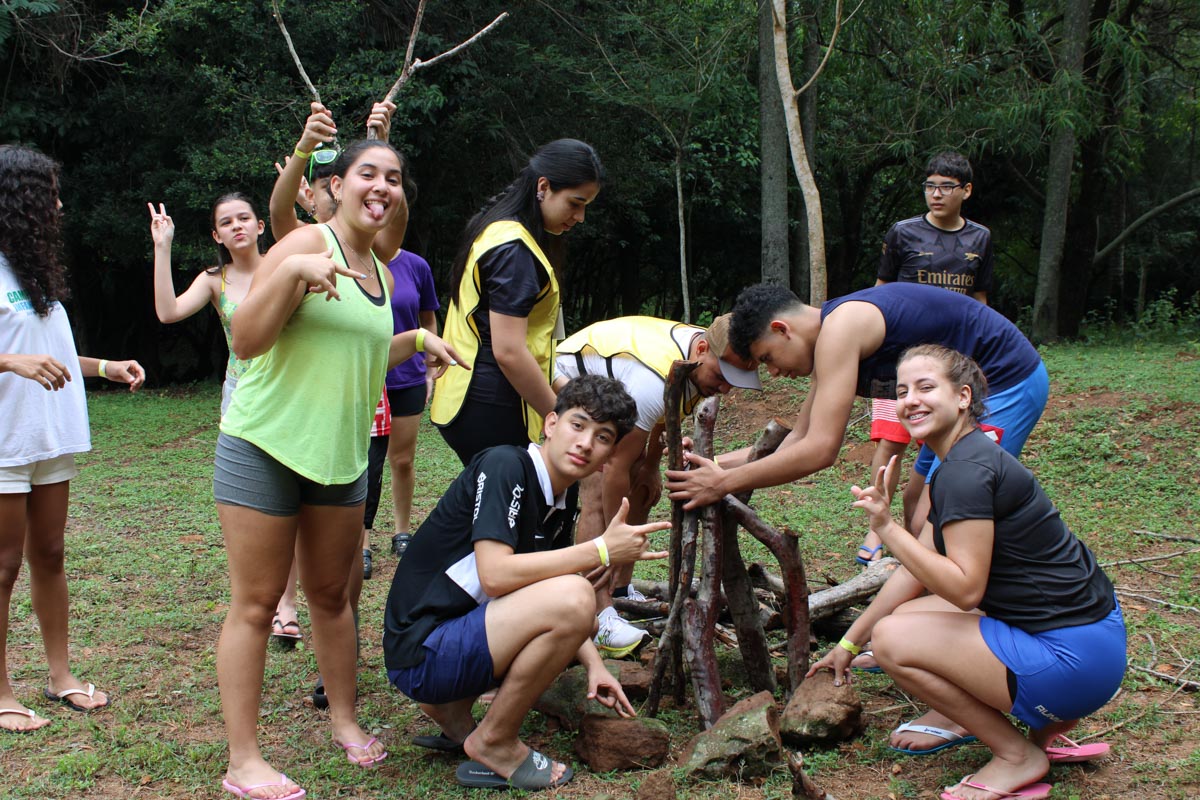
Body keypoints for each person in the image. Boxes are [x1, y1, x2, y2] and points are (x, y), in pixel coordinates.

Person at [214, 138, 467, 799]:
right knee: (256, 603)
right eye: (368, 174)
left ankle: (346, 720)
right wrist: (298, 277)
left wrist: (414, 341)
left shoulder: (382, 270)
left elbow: (356, 354)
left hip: (340, 455)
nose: (381, 187)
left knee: (333, 595)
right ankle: (244, 759)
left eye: (394, 177)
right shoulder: (302, 245)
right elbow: (245, 340)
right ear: (338, 184)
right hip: (265, 445)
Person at [807, 345, 1125, 800]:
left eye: (925, 387)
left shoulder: (965, 472)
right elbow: (914, 571)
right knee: (902, 619)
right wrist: (848, 643)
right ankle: (1047, 727)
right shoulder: (968, 457)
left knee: (895, 640)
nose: (909, 399)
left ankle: (1017, 756)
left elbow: (964, 589)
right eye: (901, 390)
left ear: (962, 397)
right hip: (1096, 645)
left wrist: (885, 527)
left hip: (1073, 663)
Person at [384, 375, 669, 790]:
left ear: (610, 454)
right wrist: (603, 550)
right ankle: (495, 740)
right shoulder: (507, 466)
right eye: (578, 424)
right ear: (550, 423)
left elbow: (543, 588)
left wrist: (594, 666)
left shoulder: (559, 496)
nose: (586, 443)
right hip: (422, 651)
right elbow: (496, 576)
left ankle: (449, 709)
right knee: (576, 597)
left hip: (445, 640)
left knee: (582, 612)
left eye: (602, 436)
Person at [665, 283, 1049, 538]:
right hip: (953, 398)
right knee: (916, 505)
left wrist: (722, 484)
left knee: (944, 514)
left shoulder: (841, 327)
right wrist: (711, 464)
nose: (775, 372)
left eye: (768, 358)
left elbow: (821, 450)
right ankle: (924, 605)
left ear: (783, 329)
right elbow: (799, 438)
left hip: (1003, 382)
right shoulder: (828, 338)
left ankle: (953, 613)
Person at [0, 144, 145, 733]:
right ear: (23, 199)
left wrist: (105, 368)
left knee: (50, 556)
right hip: (5, 442)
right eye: (51, 193)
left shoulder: (33, 274)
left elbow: (50, 356)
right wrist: (11, 362)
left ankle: (60, 676)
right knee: (3, 566)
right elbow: (22, 358)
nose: (60, 204)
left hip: (49, 438)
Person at [553, 314, 761, 657]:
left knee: (641, 488)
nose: (726, 388)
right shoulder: (654, 377)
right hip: (566, 378)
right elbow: (614, 466)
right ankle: (598, 612)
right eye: (723, 376)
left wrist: (650, 465)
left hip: (619, 390)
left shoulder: (696, 360)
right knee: (595, 488)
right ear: (703, 349)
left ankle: (619, 591)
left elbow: (663, 413)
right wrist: (610, 539)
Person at [431, 139, 604, 466]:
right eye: (575, 203)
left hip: (468, 398)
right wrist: (559, 415)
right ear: (544, 187)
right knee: (499, 508)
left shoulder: (497, 229)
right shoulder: (516, 250)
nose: (580, 216)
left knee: (479, 503)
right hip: (491, 405)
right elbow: (509, 351)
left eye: (586, 206)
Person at [858, 151, 994, 566]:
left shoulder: (980, 239)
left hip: (952, 364)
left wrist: (980, 359)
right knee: (890, 446)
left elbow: (981, 303)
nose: (936, 194)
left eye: (946, 187)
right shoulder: (902, 233)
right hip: (899, 360)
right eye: (930, 186)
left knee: (945, 449)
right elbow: (878, 293)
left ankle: (921, 536)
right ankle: (875, 528)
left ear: (966, 191)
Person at [149, 194, 265, 416]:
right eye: (226, 223)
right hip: (241, 391)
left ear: (260, 226)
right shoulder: (213, 280)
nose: (236, 226)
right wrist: (162, 246)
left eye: (244, 218)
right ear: (217, 235)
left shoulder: (283, 263)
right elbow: (167, 312)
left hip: (288, 387)